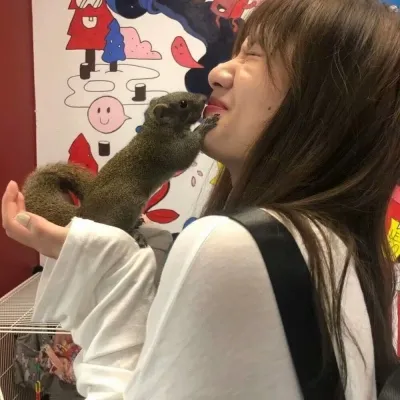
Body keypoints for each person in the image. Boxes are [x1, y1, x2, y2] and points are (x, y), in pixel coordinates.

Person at [2, 0, 400, 398]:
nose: (217, 72)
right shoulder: (340, 248)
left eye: (255, 54)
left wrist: (107, 270)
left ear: (325, 96)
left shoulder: (234, 245)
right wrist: (119, 248)